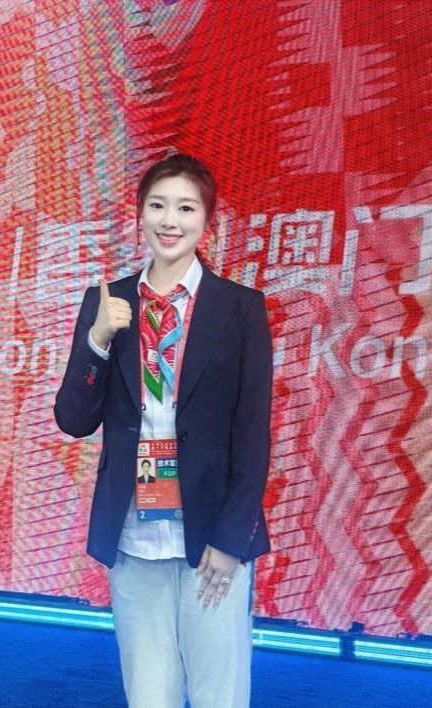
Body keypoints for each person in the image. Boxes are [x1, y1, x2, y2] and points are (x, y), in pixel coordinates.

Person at [54, 153, 273, 707]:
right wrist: (98, 341)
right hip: (133, 533)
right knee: (149, 695)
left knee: (219, 694)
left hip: (212, 536)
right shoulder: (108, 302)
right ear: (140, 215)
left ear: (207, 221)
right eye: (157, 206)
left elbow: (253, 433)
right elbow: (74, 419)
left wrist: (232, 539)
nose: (169, 221)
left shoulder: (240, 308)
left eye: (185, 208)